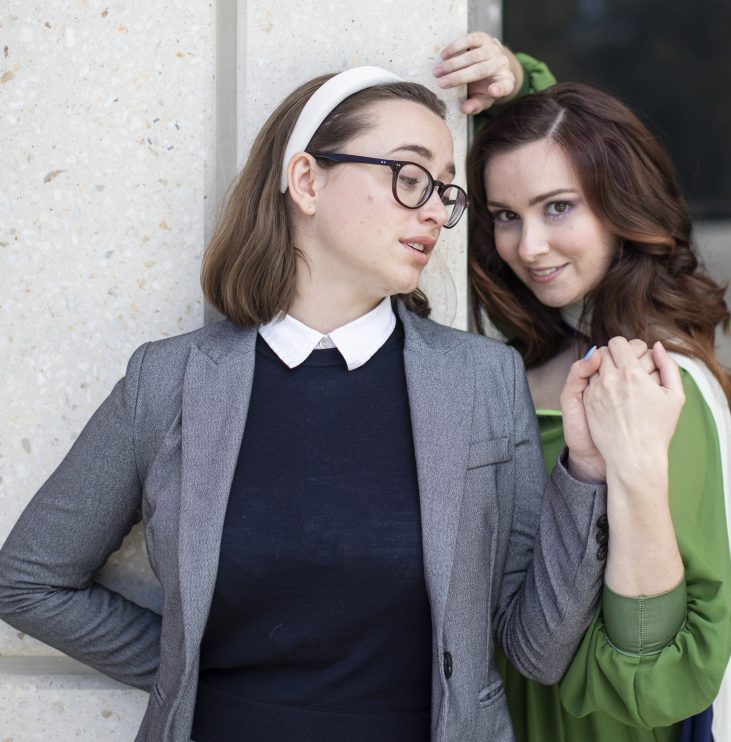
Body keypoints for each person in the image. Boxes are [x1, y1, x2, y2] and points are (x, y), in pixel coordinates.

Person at [0, 64, 683, 742]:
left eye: (445, 191)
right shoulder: (171, 380)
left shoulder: (480, 379)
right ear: (306, 181)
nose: (434, 213)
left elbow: (535, 647)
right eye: (409, 176)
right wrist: (184, 663)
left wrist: (585, 471)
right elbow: (29, 581)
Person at [433, 32, 731, 742]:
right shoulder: (530, 364)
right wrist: (515, 83)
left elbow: (653, 673)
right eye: (506, 216)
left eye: (558, 208)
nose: (527, 246)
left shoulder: (651, 384)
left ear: (621, 204)